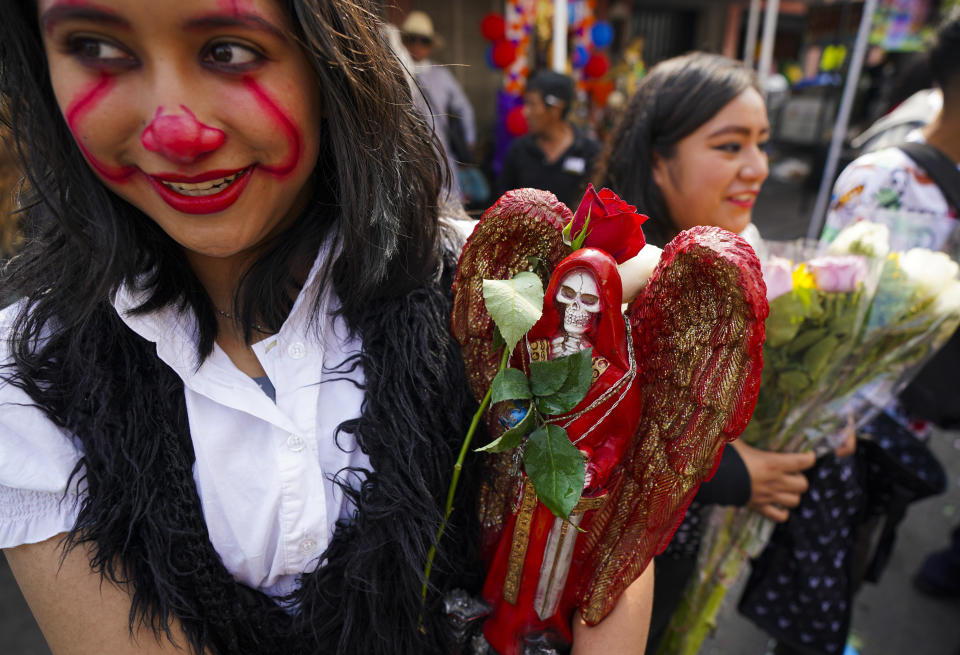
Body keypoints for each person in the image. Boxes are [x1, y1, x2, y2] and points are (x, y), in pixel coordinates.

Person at [0, 2, 653, 653]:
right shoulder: (30, 374)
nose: (176, 131)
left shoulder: (490, 288)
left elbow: (600, 545)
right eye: (97, 47)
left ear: (329, 55)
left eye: (227, 50)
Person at [593, 52, 821, 653]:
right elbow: (592, 439)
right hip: (613, 578)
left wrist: (819, 416)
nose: (758, 168)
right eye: (729, 146)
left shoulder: (742, 250)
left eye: (762, 143)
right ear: (658, 161)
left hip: (686, 560)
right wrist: (731, 474)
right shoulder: (609, 275)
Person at [400, 10, 477, 203]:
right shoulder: (395, 71)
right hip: (405, 155)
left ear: (431, 45)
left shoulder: (442, 75)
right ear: (403, 40)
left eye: (424, 40)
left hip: (440, 154)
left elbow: (464, 108)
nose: (417, 45)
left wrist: (468, 139)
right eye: (412, 39)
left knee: (449, 209)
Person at [497, 70, 602, 210]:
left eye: (532, 104)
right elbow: (501, 205)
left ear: (556, 108)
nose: (525, 112)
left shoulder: (590, 153)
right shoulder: (519, 150)